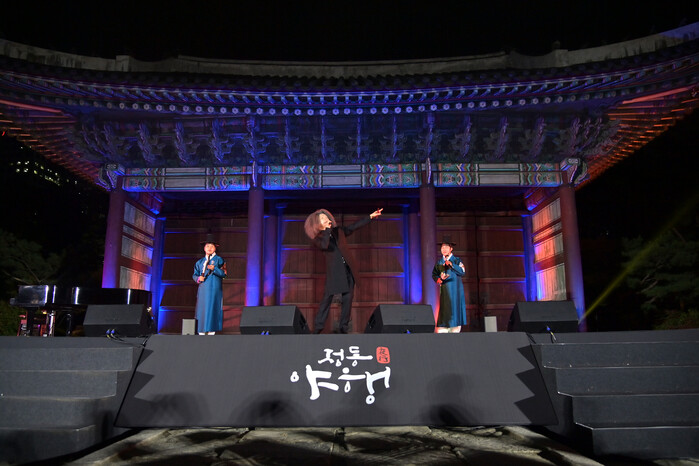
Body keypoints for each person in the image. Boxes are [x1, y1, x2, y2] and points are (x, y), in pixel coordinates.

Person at [304, 208, 383, 333]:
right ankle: (318, 327)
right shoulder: (318, 238)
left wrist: (370, 217)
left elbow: (353, 227)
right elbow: (324, 245)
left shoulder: (338, 231)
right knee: (327, 299)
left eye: (326, 217)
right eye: (323, 219)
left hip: (348, 269)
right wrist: (327, 230)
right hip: (334, 272)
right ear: (317, 223)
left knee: (348, 298)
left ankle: (343, 327)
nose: (326, 219)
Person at [432, 236, 467, 333]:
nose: (444, 249)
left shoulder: (457, 260)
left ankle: (455, 326)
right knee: (444, 309)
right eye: (442, 247)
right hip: (445, 292)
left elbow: (462, 271)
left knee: (454, 310)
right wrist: (439, 279)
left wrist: (451, 265)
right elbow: (434, 274)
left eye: (446, 247)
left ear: (451, 249)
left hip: (455, 292)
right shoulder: (439, 262)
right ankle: (444, 326)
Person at [192, 236, 227, 335]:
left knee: (212, 308)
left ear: (215, 248)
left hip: (214, 288)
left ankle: (211, 331)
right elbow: (194, 275)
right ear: (204, 248)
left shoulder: (220, 260)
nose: (209, 248)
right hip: (203, 289)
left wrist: (214, 269)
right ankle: (201, 331)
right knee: (201, 309)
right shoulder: (199, 262)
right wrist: (198, 278)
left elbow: (224, 274)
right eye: (207, 246)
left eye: (212, 246)